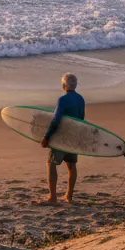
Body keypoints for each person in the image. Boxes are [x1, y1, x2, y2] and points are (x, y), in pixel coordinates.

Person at [39, 72, 85, 204]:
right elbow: (82, 119)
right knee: (71, 165)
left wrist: (46, 137)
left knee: (51, 163)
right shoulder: (80, 99)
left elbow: (56, 120)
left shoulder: (62, 100)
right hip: (74, 136)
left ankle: (53, 197)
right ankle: (68, 196)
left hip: (61, 138)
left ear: (63, 85)